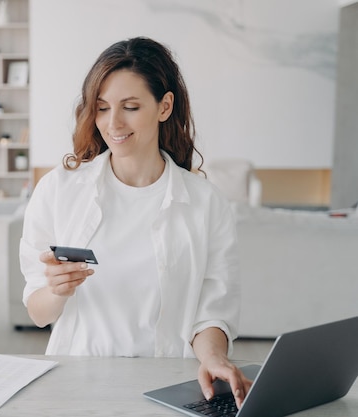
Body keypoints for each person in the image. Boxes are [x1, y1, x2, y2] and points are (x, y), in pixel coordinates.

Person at [19, 36, 252, 407]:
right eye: (101, 108)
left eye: (130, 107)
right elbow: (38, 312)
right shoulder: (58, 191)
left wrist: (214, 358)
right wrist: (56, 290)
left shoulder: (207, 203)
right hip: (77, 383)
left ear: (164, 106)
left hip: (168, 383)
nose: (113, 124)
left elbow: (212, 310)